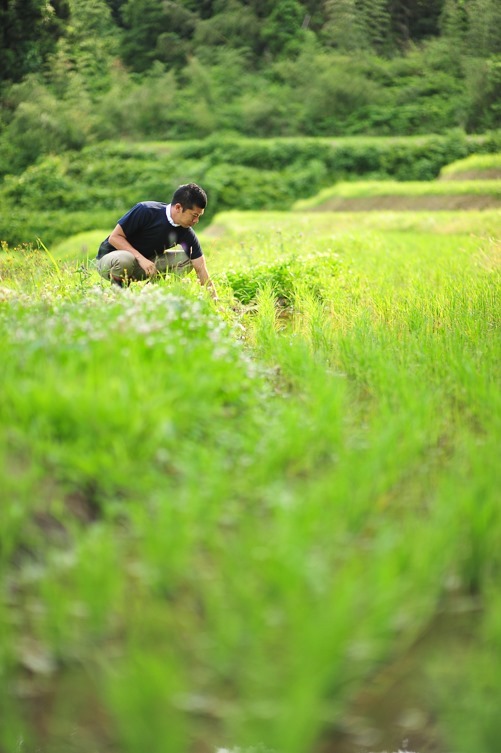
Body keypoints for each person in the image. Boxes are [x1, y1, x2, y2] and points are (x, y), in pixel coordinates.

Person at [96, 183, 217, 298]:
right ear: (178, 207)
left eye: (199, 216)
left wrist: (216, 302)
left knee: (187, 260)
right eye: (194, 215)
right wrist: (141, 258)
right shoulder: (146, 210)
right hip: (111, 261)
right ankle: (118, 298)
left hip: (144, 266)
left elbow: (200, 268)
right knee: (125, 259)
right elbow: (114, 238)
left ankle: (148, 296)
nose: (196, 221)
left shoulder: (185, 232)